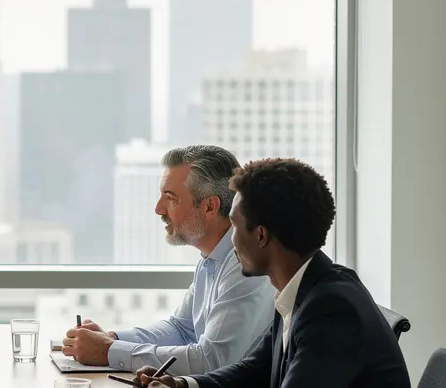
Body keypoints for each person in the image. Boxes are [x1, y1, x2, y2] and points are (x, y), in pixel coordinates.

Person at [135, 158, 410, 388]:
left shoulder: (332, 307)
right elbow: (254, 369)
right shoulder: (300, 289)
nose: (230, 240)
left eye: (235, 227)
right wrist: (183, 385)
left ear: (261, 236)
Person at [63, 145, 274, 375]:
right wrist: (112, 338)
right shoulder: (212, 259)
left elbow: (211, 361)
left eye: (170, 198)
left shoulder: (245, 266)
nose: (158, 209)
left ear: (209, 207)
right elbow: (181, 329)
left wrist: (108, 351)